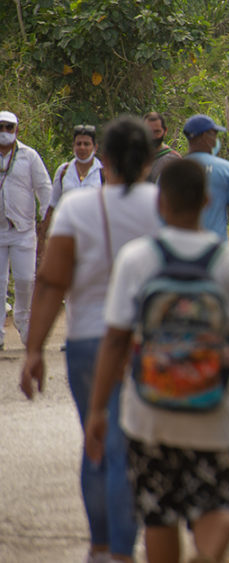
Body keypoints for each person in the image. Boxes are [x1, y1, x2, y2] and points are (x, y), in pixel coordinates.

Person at [84, 159, 229, 563]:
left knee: (159, 518)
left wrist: (98, 410)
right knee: (216, 508)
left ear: (160, 202)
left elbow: (115, 341)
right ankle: (209, 550)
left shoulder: (137, 258)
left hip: (150, 413)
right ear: (206, 200)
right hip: (212, 410)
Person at [21, 116, 159, 563]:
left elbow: (51, 282)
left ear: (103, 159)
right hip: (148, 343)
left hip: (86, 341)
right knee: (130, 445)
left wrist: (33, 350)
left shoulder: (78, 209)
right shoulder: (162, 206)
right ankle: (123, 548)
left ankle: (101, 547)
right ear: (148, 160)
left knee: (97, 439)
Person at [0, 110, 51, 348]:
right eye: (1, 127)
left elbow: (43, 187)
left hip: (23, 230)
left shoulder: (29, 156)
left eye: (9, 127)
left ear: (17, 130)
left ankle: (22, 320)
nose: (4, 132)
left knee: (24, 280)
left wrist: (46, 221)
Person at [183, 114, 229, 240]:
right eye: (214, 134)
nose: (216, 139)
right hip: (217, 250)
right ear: (205, 136)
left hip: (180, 248)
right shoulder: (226, 169)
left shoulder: (173, 170)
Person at [43, 124, 103, 232]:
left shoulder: (103, 173)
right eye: (78, 144)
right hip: (67, 232)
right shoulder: (63, 171)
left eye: (86, 144)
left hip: (94, 233)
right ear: (73, 146)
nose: (82, 148)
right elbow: (53, 205)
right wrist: (43, 238)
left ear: (95, 147)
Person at [143, 111, 182, 183]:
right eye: (148, 132)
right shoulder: (134, 156)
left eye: (157, 132)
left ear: (165, 131)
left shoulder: (173, 159)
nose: (152, 136)